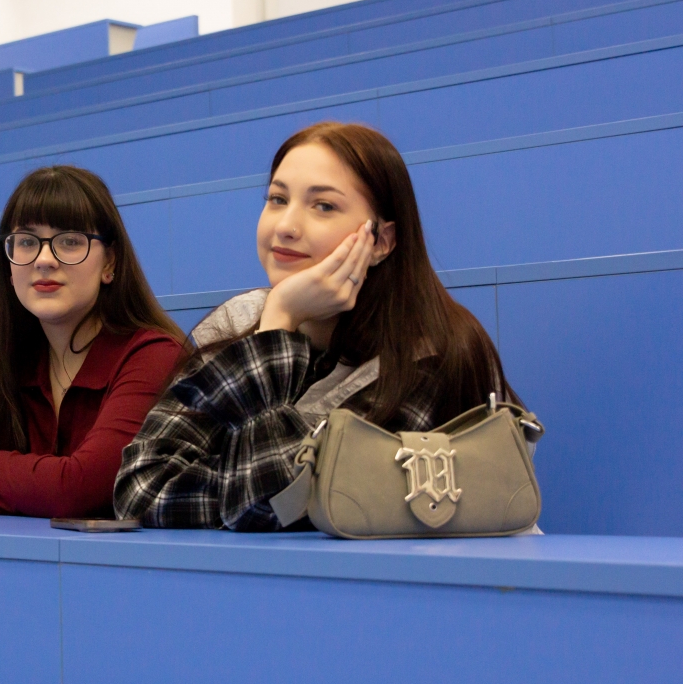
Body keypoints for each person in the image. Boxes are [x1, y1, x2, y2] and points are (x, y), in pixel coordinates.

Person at [114, 122, 519, 531]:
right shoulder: (239, 321)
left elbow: (274, 507)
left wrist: (279, 321)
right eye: (277, 199)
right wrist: (275, 326)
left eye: (323, 206)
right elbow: (139, 491)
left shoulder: (432, 353)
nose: (286, 226)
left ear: (381, 241)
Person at [0, 166, 186, 517]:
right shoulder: (11, 361)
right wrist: (37, 486)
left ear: (109, 262)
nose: (44, 260)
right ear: (9, 267)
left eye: (70, 241)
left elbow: (80, 491)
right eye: (26, 242)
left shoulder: (153, 356)